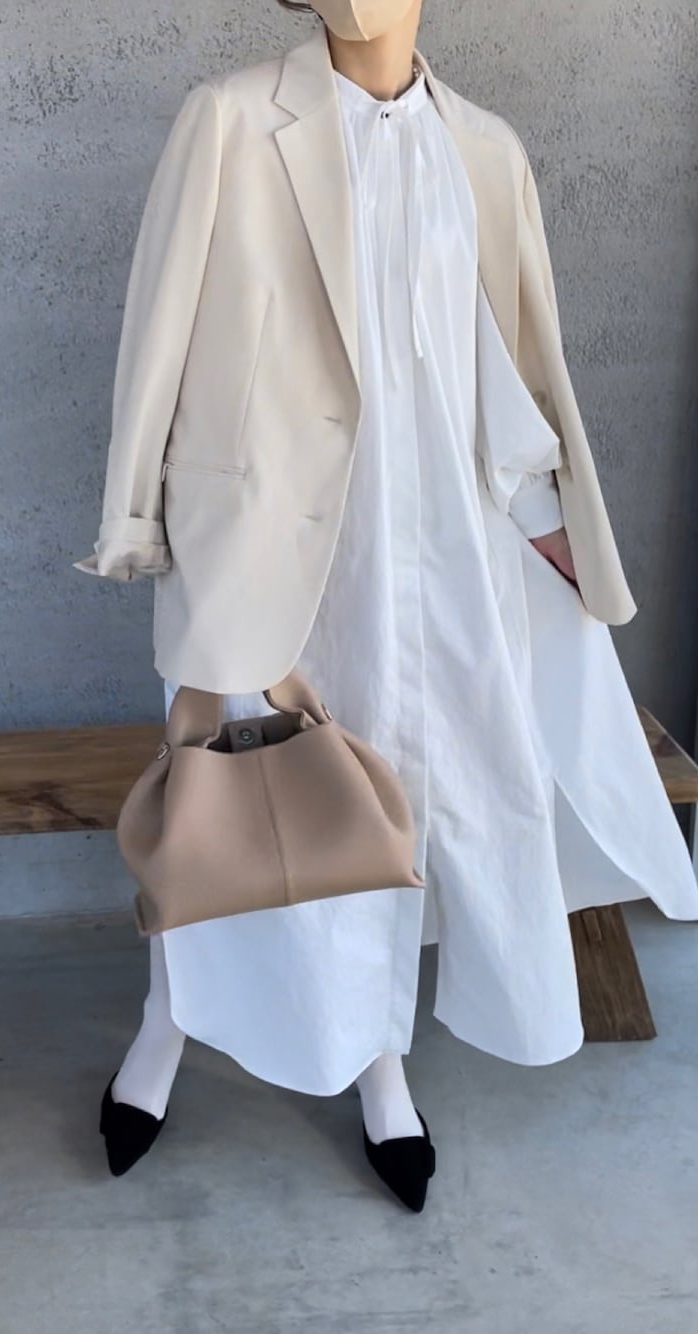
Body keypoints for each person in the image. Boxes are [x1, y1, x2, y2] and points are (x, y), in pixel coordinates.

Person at [75, 0, 698, 1212]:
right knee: (236, 796)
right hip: (270, 543)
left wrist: (552, 525)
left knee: (397, 793)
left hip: (443, 541)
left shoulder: (486, 147)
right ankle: (166, 1024)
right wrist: (134, 519)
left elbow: (512, 358)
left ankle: (380, 1065)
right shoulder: (229, 119)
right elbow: (155, 334)